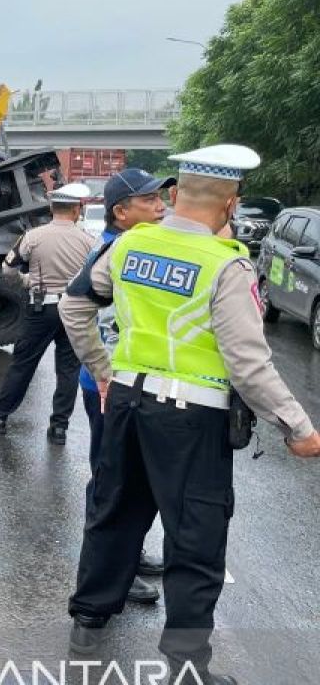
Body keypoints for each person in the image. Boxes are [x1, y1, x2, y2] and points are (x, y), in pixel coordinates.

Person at [59, 145, 320, 683]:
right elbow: (247, 363)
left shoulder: (130, 244)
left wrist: (104, 372)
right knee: (195, 539)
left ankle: (87, 622)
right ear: (231, 205)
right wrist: (298, 426)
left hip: (126, 403)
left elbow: (74, 304)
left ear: (175, 196)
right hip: (190, 416)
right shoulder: (226, 263)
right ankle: (184, 666)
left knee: (114, 512)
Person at [74, 170, 176, 607]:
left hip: (128, 384)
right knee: (108, 479)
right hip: (109, 387)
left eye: (160, 198)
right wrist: (102, 373)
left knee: (128, 477)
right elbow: (74, 311)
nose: (161, 207)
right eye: (150, 201)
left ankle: (126, 555)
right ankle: (108, 567)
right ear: (121, 211)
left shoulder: (134, 247)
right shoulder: (115, 251)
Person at [0, 182, 95, 444]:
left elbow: (8, 270)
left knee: (23, 364)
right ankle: (59, 429)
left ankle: (0, 417)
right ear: (77, 209)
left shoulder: (33, 237)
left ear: (51, 207)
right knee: (68, 370)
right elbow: (96, 279)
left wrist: (28, 282)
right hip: (75, 311)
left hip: (40, 308)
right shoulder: (90, 241)